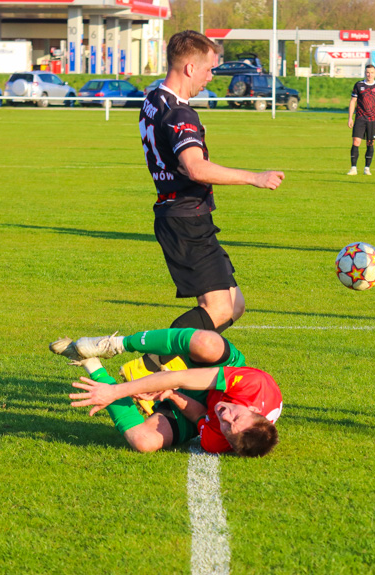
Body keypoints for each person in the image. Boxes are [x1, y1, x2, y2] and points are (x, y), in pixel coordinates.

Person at [132, 30, 284, 378]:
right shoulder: (179, 114)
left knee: (235, 306)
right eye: (209, 69)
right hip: (185, 219)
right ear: (189, 68)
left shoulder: (154, 97)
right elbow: (195, 167)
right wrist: (254, 177)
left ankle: (162, 371)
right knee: (216, 311)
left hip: (185, 214)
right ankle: (145, 370)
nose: (211, 77)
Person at [50, 328, 282, 457]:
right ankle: (116, 344)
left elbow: (201, 414)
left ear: (228, 442)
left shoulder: (219, 441)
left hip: (200, 397)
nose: (225, 416)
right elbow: (179, 377)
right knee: (206, 342)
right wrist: (116, 392)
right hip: (213, 373)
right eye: (237, 417)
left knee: (143, 441)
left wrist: (170, 394)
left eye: (228, 427)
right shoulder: (256, 385)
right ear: (252, 409)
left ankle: (90, 364)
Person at [347, 64, 375, 176]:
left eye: (371, 72)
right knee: (356, 141)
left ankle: (367, 168)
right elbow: (353, 101)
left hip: (373, 119)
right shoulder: (359, 85)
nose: (369, 75)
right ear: (365, 73)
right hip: (360, 118)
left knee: (370, 143)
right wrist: (350, 117)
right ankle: (353, 168)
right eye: (367, 72)